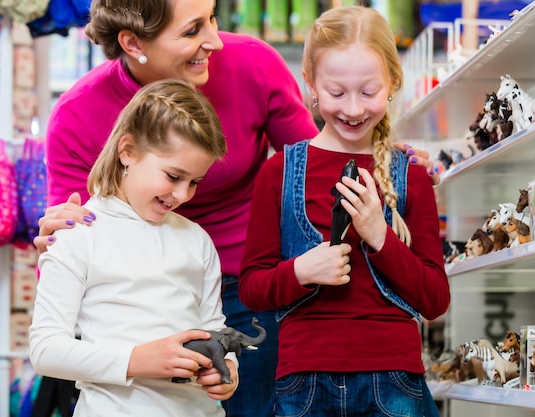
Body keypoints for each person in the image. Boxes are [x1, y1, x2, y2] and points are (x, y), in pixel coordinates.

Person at [33, 1, 438, 415]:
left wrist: (386, 162)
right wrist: (62, 231)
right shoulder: (77, 114)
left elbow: (320, 160)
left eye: (212, 17)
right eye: (193, 30)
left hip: (250, 290)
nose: (214, 40)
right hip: (146, 296)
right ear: (133, 42)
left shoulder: (252, 64)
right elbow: (73, 223)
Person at [237, 6, 451, 417]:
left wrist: (379, 237)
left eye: (368, 92)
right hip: (303, 380)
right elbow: (251, 287)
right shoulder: (278, 172)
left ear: (392, 83)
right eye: (337, 93)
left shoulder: (413, 176)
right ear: (311, 86)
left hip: (394, 379)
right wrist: (300, 271)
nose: (353, 109)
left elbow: (434, 299)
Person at [28, 79, 235, 417]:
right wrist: (137, 360)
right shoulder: (79, 234)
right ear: (128, 151)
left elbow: (214, 329)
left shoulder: (197, 239)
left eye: (194, 182)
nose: (183, 195)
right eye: (173, 176)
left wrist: (226, 368)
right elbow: (46, 349)